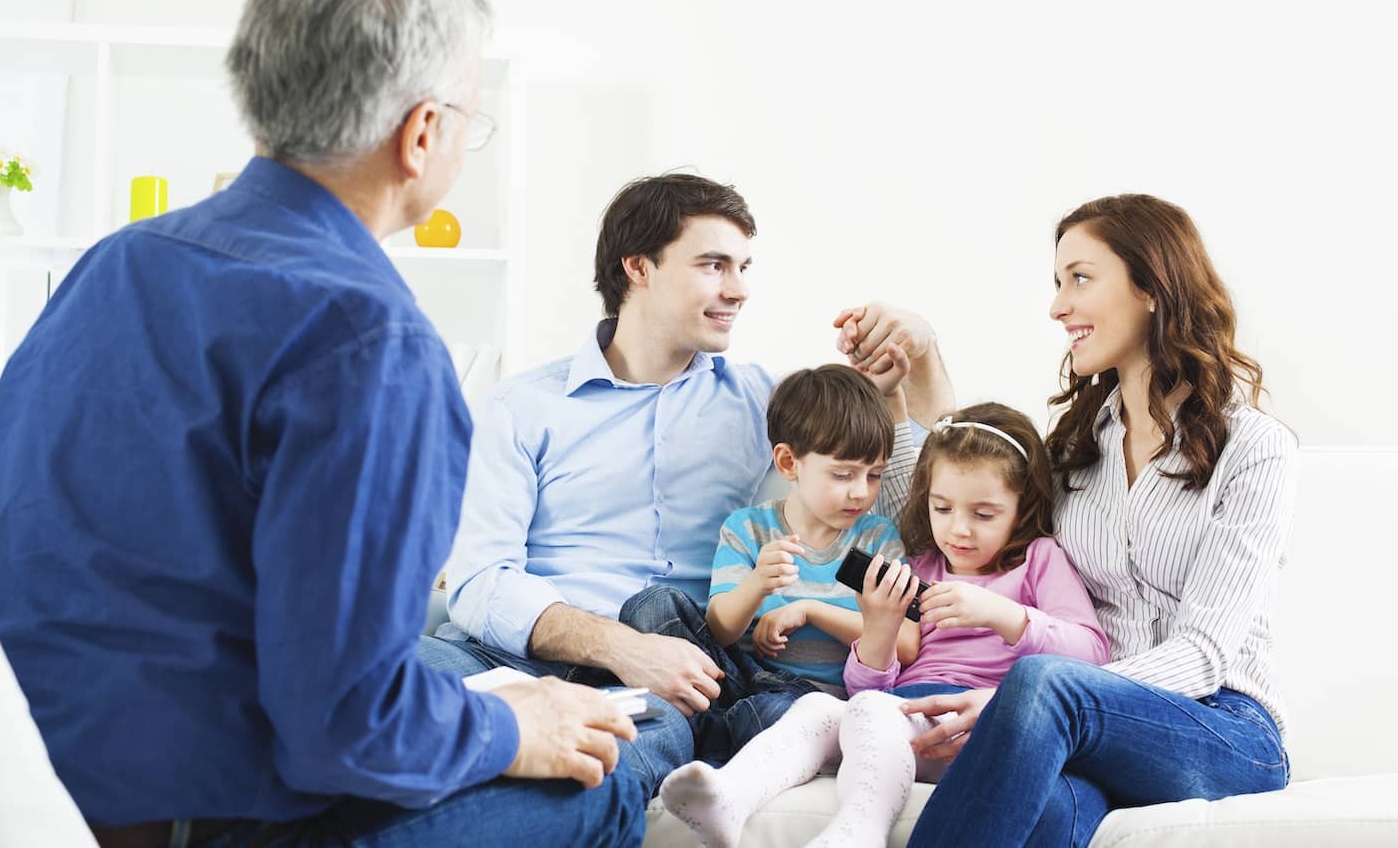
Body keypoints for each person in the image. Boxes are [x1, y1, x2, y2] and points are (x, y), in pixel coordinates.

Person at [0, 0, 645, 847]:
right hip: (202, 815)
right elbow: (346, 727)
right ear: (422, 133)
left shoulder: (115, 262)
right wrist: (512, 729)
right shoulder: (371, 340)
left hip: (47, 772)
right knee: (605, 785)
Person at [421, 174, 953, 795]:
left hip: (664, 680)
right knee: (352, 693)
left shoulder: (762, 401)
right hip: (500, 657)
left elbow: (927, 487)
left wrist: (922, 352)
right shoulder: (520, 407)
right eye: (713, 265)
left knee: (601, 775)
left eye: (743, 267)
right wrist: (619, 645)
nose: (739, 289)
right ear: (638, 267)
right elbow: (480, 580)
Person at [866, 194, 1298, 847]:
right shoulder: (1078, 448)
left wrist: (1026, 701)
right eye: (1057, 282)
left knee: (1039, 681)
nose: (1057, 306)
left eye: (1079, 279)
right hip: (1085, 729)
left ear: (1151, 287)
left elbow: (1204, 655)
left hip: (1224, 728)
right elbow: (949, 494)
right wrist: (914, 365)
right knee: (1041, 813)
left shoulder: (1254, 448)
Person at [659, 401, 1108, 848]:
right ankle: (729, 798)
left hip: (982, 721)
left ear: (1022, 506)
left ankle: (859, 834)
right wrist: (879, 627)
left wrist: (1002, 614)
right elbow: (867, 687)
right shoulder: (920, 567)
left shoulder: (1038, 560)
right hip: (904, 716)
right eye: (942, 508)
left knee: (872, 711)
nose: (959, 530)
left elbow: (1091, 653)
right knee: (818, 709)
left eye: (984, 514)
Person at [703, 363, 919, 693]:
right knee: (659, 603)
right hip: (755, 687)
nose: (861, 491)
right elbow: (718, 632)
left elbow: (906, 644)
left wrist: (812, 611)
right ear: (789, 463)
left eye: (874, 475)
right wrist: (757, 584)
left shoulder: (878, 538)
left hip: (833, 700)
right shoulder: (747, 529)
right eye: (843, 475)